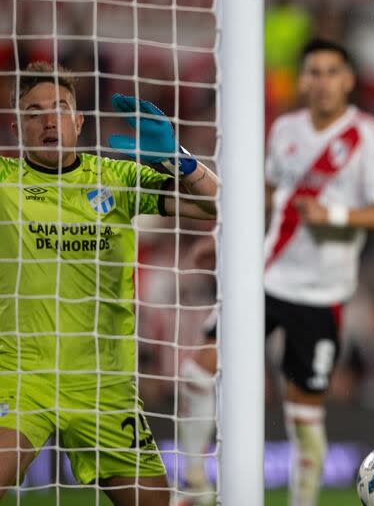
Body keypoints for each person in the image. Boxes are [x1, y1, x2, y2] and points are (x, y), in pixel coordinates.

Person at [177, 38, 374, 506]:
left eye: (331, 72)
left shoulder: (369, 137)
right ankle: (196, 486)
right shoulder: (285, 129)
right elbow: (267, 193)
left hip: (321, 295)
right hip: (263, 278)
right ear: (301, 80)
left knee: (304, 418)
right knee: (198, 373)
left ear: (348, 80)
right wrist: (221, 235)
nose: (321, 82)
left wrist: (335, 216)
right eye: (313, 72)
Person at [0, 62, 218, 506]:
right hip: (23, 376)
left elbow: (215, 205)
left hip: (105, 382)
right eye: (33, 111)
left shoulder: (115, 178)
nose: (48, 120)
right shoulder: (5, 181)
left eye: (59, 108)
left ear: (78, 122)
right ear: (17, 127)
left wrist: (182, 160)